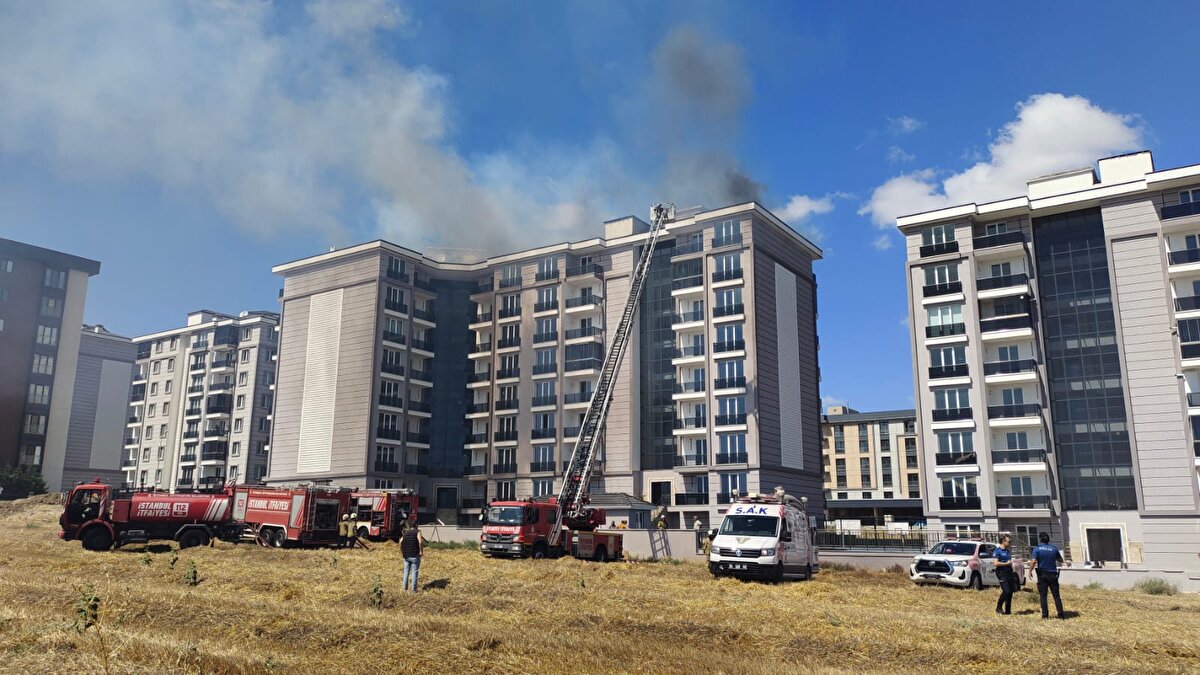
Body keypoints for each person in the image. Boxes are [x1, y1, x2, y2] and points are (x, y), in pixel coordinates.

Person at [1028, 532, 1066, 619]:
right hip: (1053, 574)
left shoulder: (1037, 549)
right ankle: (1061, 614)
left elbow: (1033, 561)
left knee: (1043, 596)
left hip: (1042, 575)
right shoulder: (1054, 549)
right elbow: (1061, 560)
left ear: (1040, 539)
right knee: (1056, 595)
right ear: (1048, 540)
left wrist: (1030, 571)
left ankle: (1045, 615)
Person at [993, 535, 1017, 615]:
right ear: (1003, 542)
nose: (1010, 543)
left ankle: (1008, 610)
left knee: (1010, 592)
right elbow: (995, 563)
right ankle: (998, 607)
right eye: (1009, 542)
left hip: (1009, 572)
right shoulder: (997, 551)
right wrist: (1005, 563)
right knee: (1006, 591)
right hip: (1001, 572)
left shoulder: (1007, 551)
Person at [401, 523, 425, 593]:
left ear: (409, 526)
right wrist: (421, 551)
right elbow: (420, 542)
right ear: (416, 526)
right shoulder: (418, 532)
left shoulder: (405, 532)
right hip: (415, 556)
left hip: (406, 556)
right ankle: (413, 590)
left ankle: (405, 589)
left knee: (406, 572)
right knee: (414, 573)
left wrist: (402, 552)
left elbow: (400, 542)